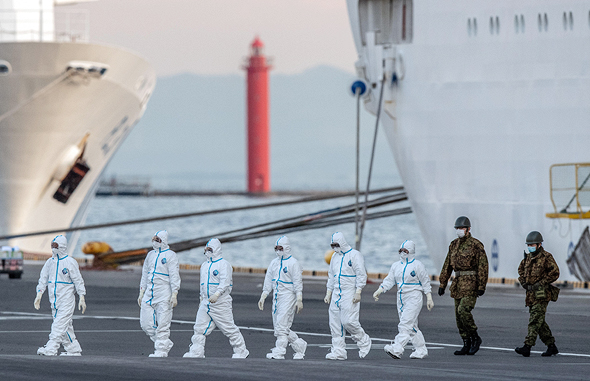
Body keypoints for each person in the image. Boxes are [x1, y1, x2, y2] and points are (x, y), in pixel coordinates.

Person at [183, 238, 249, 359]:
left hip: (221, 303)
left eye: (210, 249)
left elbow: (225, 282)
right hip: (206, 302)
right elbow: (202, 284)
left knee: (229, 328)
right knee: (199, 328)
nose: (208, 251)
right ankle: (197, 351)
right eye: (206, 249)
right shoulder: (204, 265)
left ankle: (241, 351)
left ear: (217, 250)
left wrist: (217, 294)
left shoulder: (224, 265)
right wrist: (201, 298)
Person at [373, 240, 434, 359]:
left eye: (405, 250)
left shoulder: (417, 265)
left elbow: (425, 282)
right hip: (401, 297)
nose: (403, 253)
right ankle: (421, 349)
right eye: (401, 250)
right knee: (412, 327)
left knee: (405, 324)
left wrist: (429, 297)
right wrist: (380, 289)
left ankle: (397, 348)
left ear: (411, 251)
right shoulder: (396, 266)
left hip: (414, 296)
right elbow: (390, 280)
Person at [438, 216, 488, 356]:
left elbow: (483, 266)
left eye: (462, 228)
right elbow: (447, 264)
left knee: (463, 310)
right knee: (458, 317)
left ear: (468, 229)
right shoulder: (453, 245)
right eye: (457, 228)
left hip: (471, 283)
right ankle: (466, 343)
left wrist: (481, 285)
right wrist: (443, 283)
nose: (459, 231)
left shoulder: (476, 245)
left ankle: (475, 338)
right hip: (458, 284)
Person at [34, 235, 86, 356]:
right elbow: (43, 278)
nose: (53, 249)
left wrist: (81, 296)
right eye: (52, 246)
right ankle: (73, 348)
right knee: (65, 326)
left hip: (66, 300)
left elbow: (78, 280)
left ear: (62, 247)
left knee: (58, 325)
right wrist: (39, 293)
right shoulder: (50, 263)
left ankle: (51, 348)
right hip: (54, 300)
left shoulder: (70, 262)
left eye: (56, 246)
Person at [324, 232, 371, 360]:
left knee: (348, 321)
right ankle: (339, 351)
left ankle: (363, 340)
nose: (334, 247)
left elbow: (361, 274)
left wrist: (358, 291)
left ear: (342, 243)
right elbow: (331, 275)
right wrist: (329, 292)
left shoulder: (355, 255)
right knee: (334, 322)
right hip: (336, 292)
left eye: (336, 244)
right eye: (332, 245)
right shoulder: (334, 257)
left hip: (349, 292)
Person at [258, 236, 307, 359]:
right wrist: (264, 295)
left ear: (287, 248)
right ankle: (299, 346)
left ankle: (280, 351)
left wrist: (299, 298)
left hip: (288, 296)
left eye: (281, 248)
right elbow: (268, 279)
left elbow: (297, 282)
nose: (278, 250)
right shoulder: (274, 263)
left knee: (281, 325)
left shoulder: (293, 263)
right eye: (276, 248)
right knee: (280, 326)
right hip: (277, 296)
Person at [515, 231, 560, 357]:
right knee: (540, 322)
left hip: (541, 294)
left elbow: (555, 272)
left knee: (535, 320)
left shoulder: (546, 257)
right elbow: (521, 270)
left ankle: (527, 346)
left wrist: (541, 283)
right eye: (529, 245)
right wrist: (523, 282)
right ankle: (551, 346)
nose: (530, 247)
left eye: (532, 244)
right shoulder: (528, 258)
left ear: (539, 244)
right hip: (530, 294)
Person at [138, 230, 180, 357]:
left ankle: (161, 350)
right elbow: (145, 274)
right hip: (149, 294)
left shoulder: (170, 256)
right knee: (145, 324)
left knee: (163, 324)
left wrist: (174, 293)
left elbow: (174, 276)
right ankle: (163, 343)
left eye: (158, 240)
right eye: (154, 239)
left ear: (164, 241)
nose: (155, 242)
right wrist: (141, 291)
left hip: (164, 294)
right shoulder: (150, 255)